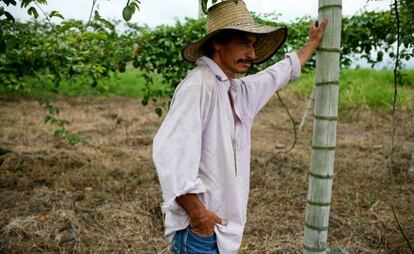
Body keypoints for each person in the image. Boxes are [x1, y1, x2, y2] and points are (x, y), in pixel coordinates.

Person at [152, 0, 327, 253]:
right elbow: (169, 153)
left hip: (219, 232)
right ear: (218, 42)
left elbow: (275, 75)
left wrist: (311, 44)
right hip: (202, 234)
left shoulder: (233, 89)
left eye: (253, 45)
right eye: (244, 43)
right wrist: (200, 216)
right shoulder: (200, 86)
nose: (252, 55)